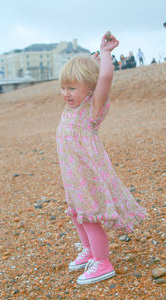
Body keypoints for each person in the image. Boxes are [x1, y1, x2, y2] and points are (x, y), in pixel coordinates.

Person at [56, 33, 146, 285]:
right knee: (76, 214)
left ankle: (102, 262)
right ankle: (88, 251)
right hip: (73, 176)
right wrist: (92, 62)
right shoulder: (72, 106)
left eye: (71, 88)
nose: (65, 93)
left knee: (91, 216)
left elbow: (104, 77)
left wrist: (105, 53)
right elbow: (92, 75)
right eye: (63, 87)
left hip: (89, 177)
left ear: (90, 88)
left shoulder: (91, 108)